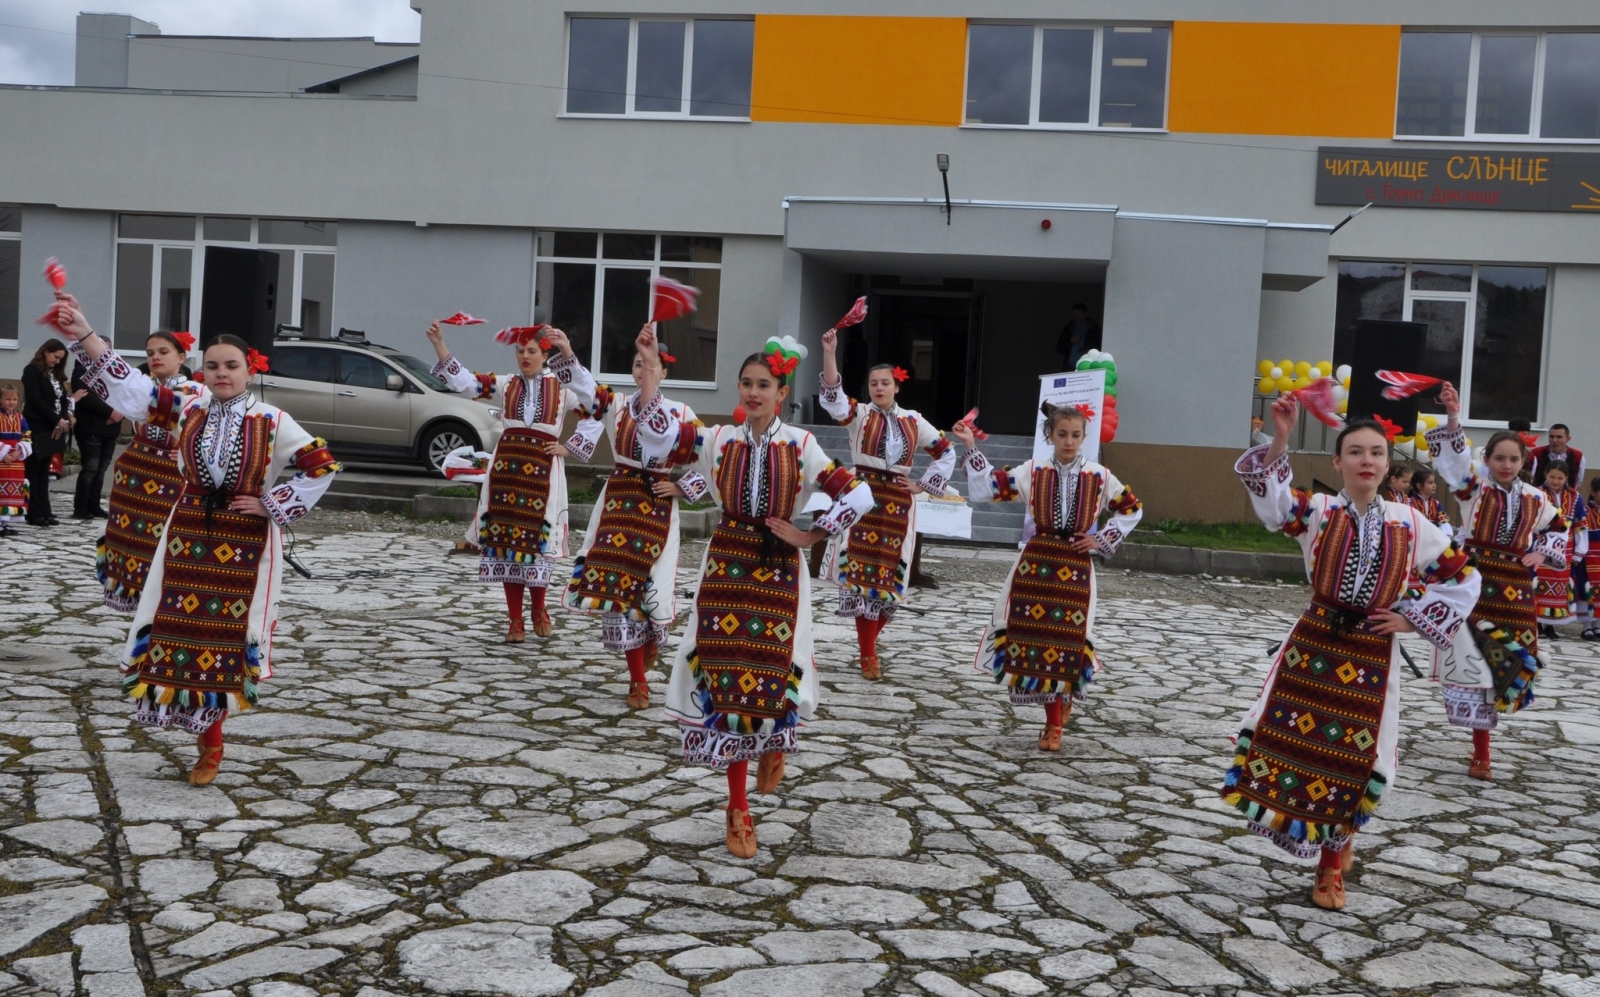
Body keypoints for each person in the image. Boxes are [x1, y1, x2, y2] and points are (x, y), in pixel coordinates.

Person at [53, 295, 341, 786]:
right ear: (202, 370)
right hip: (186, 533)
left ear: (250, 369)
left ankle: (213, 744)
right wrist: (83, 332)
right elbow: (131, 389)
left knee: (224, 639)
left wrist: (271, 504)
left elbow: (322, 466)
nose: (221, 373)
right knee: (177, 630)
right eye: (213, 366)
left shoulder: (272, 420)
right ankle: (204, 739)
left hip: (244, 543)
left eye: (231, 365)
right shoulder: (189, 407)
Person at [1226, 397, 1479, 910]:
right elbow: (1274, 505)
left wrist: (1412, 618)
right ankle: (1326, 846)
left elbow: (1463, 577)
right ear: (1338, 461)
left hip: (1372, 655)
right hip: (1314, 645)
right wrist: (1281, 436)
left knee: (1357, 758)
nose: (1367, 460)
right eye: (1356, 452)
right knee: (1302, 748)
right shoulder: (1318, 511)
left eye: (1377, 453)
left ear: (1387, 465)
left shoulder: (1411, 522)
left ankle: (1331, 861)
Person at [664, 338, 874, 859]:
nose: (753, 392)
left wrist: (810, 534)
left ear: (781, 394)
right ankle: (738, 809)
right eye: (746, 384)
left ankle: (773, 742)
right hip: (726, 566)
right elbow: (662, 432)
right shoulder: (717, 439)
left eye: (764, 385)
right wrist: (649, 370)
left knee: (776, 671)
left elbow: (860, 493)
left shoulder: (801, 445)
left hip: (779, 568)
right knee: (727, 683)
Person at [951, 403, 1143, 752]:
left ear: (1084, 437)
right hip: (1036, 565)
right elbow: (990, 488)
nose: (1069, 441)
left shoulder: (1100, 476)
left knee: (1068, 643)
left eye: (1075, 435)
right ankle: (1053, 722)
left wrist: (1100, 539)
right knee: (1036, 644)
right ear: (1050, 435)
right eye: (1062, 434)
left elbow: (1132, 508)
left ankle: (1058, 714)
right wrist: (970, 446)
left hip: (1075, 567)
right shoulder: (1033, 470)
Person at [1426, 382, 1564, 782]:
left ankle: (1484, 743)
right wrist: (1454, 415)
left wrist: (1543, 553)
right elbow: (1454, 464)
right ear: (1486, 460)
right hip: (1475, 582)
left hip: (1515, 588)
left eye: (1513, 459)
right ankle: (1481, 752)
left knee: (1508, 662)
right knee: (1475, 664)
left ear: (1524, 461)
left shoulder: (1537, 498)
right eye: (1499, 458)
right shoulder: (1474, 489)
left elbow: (1561, 526)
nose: (1506, 464)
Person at [426, 320, 597, 642]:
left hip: (543, 470)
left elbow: (594, 408)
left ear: (544, 354)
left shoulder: (562, 387)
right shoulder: (505, 385)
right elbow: (468, 383)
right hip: (507, 471)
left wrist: (571, 447)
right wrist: (439, 344)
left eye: (531, 351)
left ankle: (539, 608)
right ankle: (515, 619)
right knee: (506, 544)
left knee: (537, 543)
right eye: (520, 351)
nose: (524, 357)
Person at [562, 325, 701, 710]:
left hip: (657, 508)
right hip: (619, 505)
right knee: (619, 592)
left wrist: (681, 488)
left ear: (664, 372)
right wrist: (567, 351)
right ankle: (637, 680)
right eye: (638, 364)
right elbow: (585, 387)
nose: (644, 370)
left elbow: (709, 458)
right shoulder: (616, 404)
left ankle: (653, 638)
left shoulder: (682, 413)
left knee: (653, 591)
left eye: (651, 364)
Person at [817, 327, 955, 680]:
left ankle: (868, 649)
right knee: (862, 576)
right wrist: (830, 353)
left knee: (889, 580)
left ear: (896, 387)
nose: (878, 388)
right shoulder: (860, 415)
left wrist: (922, 485)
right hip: (864, 497)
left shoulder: (914, 420)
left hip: (898, 503)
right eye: (873, 383)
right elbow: (833, 399)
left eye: (885, 383)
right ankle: (868, 655)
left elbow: (945, 451)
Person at [97, 331, 196, 610]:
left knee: (165, 540)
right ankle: (136, 601)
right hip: (133, 477)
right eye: (150, 353)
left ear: (181, 357)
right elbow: (110, 381)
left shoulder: (196, 392)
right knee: (129, 539)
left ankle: (163, 603)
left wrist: (188, 450)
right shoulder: (143, 388)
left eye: (163, 352)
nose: (155, 357)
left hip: (170, 476)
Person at [21, 339, 72, 527]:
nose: (57, 361)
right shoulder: (32, 370)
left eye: (60, 359)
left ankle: (45, 510)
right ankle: (33, 512)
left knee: (44, 469)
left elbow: (63, 399)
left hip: (53, 426)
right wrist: (55, 419)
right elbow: (35, 399)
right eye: (55, 357)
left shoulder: (56, 374)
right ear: (46, 352)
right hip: (37, 424)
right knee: (34, 468)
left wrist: (63, 418)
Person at [1534, 460, 1586, 638]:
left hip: (1565, 548)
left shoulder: (1575, 497)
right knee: (1539, 583)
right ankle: (1537, 624)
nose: (1555, 481)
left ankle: (1551, 625)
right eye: (1552, 477)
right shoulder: (1537, 493)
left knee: (1559, 586)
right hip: (1541, 546)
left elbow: (1580, 525)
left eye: (1560, 478)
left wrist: (1580, 551)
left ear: (1566, 478)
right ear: (1545, 475)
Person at [70, 356, 123, 519]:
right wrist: (110, 412)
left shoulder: (114, 370)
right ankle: (81, 507)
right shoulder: (82, 370)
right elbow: (87, 397)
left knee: (101, 471)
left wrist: (121, 413)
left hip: (111, 429)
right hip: (90, 428)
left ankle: (94, 505)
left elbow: (124, 393)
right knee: (90, 469)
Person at [0, 385, 32, 537]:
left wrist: (20, 451)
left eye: (14, 399)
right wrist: (2, 453)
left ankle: (5, 523)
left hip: (16, 460)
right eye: (7, 399)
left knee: (12, 489)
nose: (11, 402)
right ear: (0, 400)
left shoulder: (20, 418)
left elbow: (27, 435)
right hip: (2, 459)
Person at [1055, 303, 1097, 373]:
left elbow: (1100, 347)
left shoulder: (1094, 329)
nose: (1076, 316)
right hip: (1069, 367)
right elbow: (1059, 349)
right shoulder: (1068, 329)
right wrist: (1071, 341)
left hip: (1087, 366)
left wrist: (1088, 352)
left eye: (1078, 313)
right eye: (1074, 314)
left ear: (1085, 313)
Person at [1408, 468, 1452, 534]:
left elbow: (1443, 520)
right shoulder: (1410, 502)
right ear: (1419, 486)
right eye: (1430, 483)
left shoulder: (1436, 504)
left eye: (1434, 482)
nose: (1434, 485)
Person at [1583, 479, 1600, 639]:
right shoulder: (1586, 510)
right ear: (1593, 492)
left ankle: (1597, 625)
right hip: (1590, 557)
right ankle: (1586, 626)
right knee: (1589, 590)